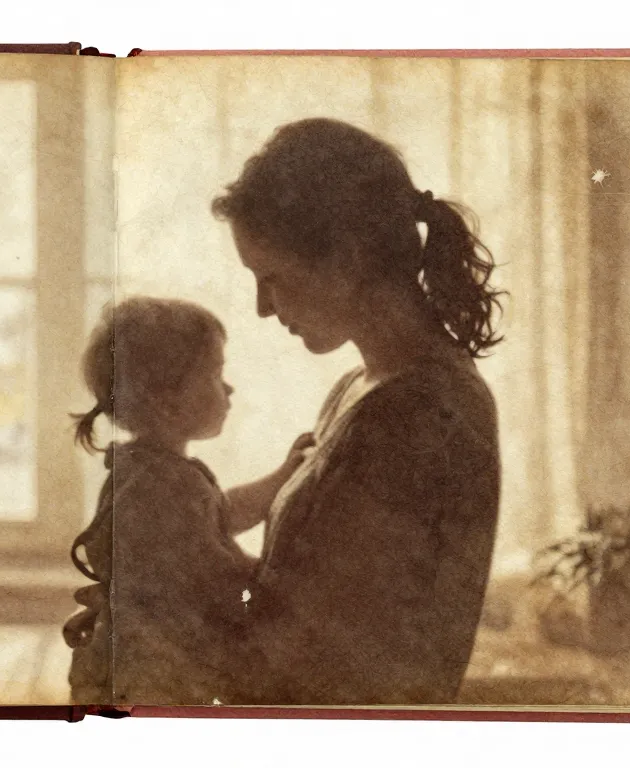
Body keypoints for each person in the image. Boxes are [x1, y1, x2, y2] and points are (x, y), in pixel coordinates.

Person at [210, 118, 504, 705]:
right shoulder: (359, 388)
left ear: (346, 258)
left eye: (272, 278)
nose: (263, 308)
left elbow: (322, 652)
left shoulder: (417, 413)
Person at [62, 296, 313, 705]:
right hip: (153, 669)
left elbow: (220, 513)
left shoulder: (149, 469)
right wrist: (276, 580)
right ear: (166, 402)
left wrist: (281, 477)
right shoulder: (161, 484)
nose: (228, 388)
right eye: (215, 374)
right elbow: (217, 575)